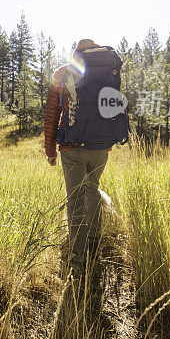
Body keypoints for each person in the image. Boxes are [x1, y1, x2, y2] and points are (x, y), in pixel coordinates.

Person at [44, 38, 119, 283]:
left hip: (72, 148)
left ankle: (78, 257)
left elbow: (53, 113)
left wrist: (50, 149)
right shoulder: (108, 72)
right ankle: (94, 245)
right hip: (101, 147)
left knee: (74, 198)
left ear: (76, 53)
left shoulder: (64, 74)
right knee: (92, 190)